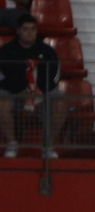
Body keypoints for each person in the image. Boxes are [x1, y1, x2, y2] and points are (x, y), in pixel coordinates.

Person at [0, 14, 60, 157]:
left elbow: (56, 75)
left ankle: (48, 145)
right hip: (14, 93)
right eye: (26, 29)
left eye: (33, 29)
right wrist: (23, 91)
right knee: (1, 102)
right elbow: (1, 77)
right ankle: (12, 145)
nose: (30, 32)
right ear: (18, 31)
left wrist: (40, 90)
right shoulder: (6, 51)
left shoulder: (47, 51)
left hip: (42, 92)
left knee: (60, 100)